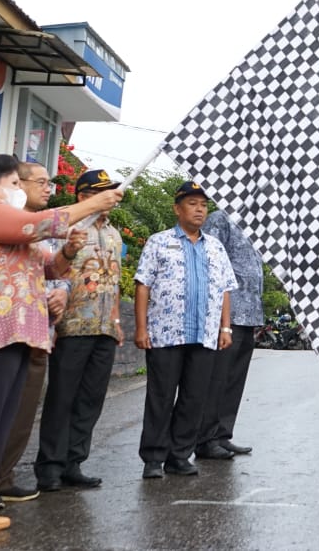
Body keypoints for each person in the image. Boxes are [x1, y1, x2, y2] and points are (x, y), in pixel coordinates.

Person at [0, 154, 121, 538]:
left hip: (23, 328)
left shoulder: (18, 232)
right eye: (15, 183)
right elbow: (38, 223)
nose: (21, 190)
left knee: (1, 419)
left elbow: (52, 268)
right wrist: (91, 204)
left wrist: (69, 250)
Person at [134, 182, 236, 480]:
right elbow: (143, 285)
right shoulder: (159, 242)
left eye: (204, 204)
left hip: (205, 334)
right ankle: (153, 458)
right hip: (166, 333)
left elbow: (225, 289)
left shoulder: (215, 247)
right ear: (177, 208)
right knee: (160, 397)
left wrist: (225, 327)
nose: (200, 209)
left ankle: (179, 455)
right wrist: (141, 328)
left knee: (194, 398)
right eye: (192, 203)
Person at [35, 170, 125, 490]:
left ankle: (74, 462)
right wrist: (51, 320)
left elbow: (114, 281)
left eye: (111, 191)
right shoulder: (64, 230)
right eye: (102, 192)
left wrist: (115, 319)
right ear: (82, 197)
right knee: (62, 397)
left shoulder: (114, 235)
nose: (110, 197)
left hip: (103, 328)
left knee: (91, 399)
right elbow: (49, 272)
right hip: (70, 325)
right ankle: (49, 466)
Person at [0, 163, 71, 504]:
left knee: (23, 411)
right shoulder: (2, 217)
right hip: (3, 330)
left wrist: (61, 288)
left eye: (50, 181)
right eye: (40, 181)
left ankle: (3, 476)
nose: (49, 187)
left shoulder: (45, 230)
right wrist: (96, 204)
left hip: (39, 329)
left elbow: (52, 267)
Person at [196, 206, 266, 459]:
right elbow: (208, 263)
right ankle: (205, 438)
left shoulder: (256, 225)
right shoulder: (219, 219)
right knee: (217, 378)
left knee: (235, 379)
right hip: (226, 314)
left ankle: (223, 435)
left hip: (249, 314)